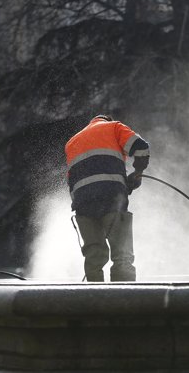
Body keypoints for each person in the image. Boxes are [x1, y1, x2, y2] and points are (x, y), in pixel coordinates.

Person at [65, 114, 150, 282]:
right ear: (107, 120)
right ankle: (123, 303)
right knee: (122, 256)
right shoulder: (113, 127)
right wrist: (137, 173)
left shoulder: (71, 142)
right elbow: (141, 148)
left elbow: (71, 181)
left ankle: (95, 303)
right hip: (111, 199)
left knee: (94, 259)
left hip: (82, 204)